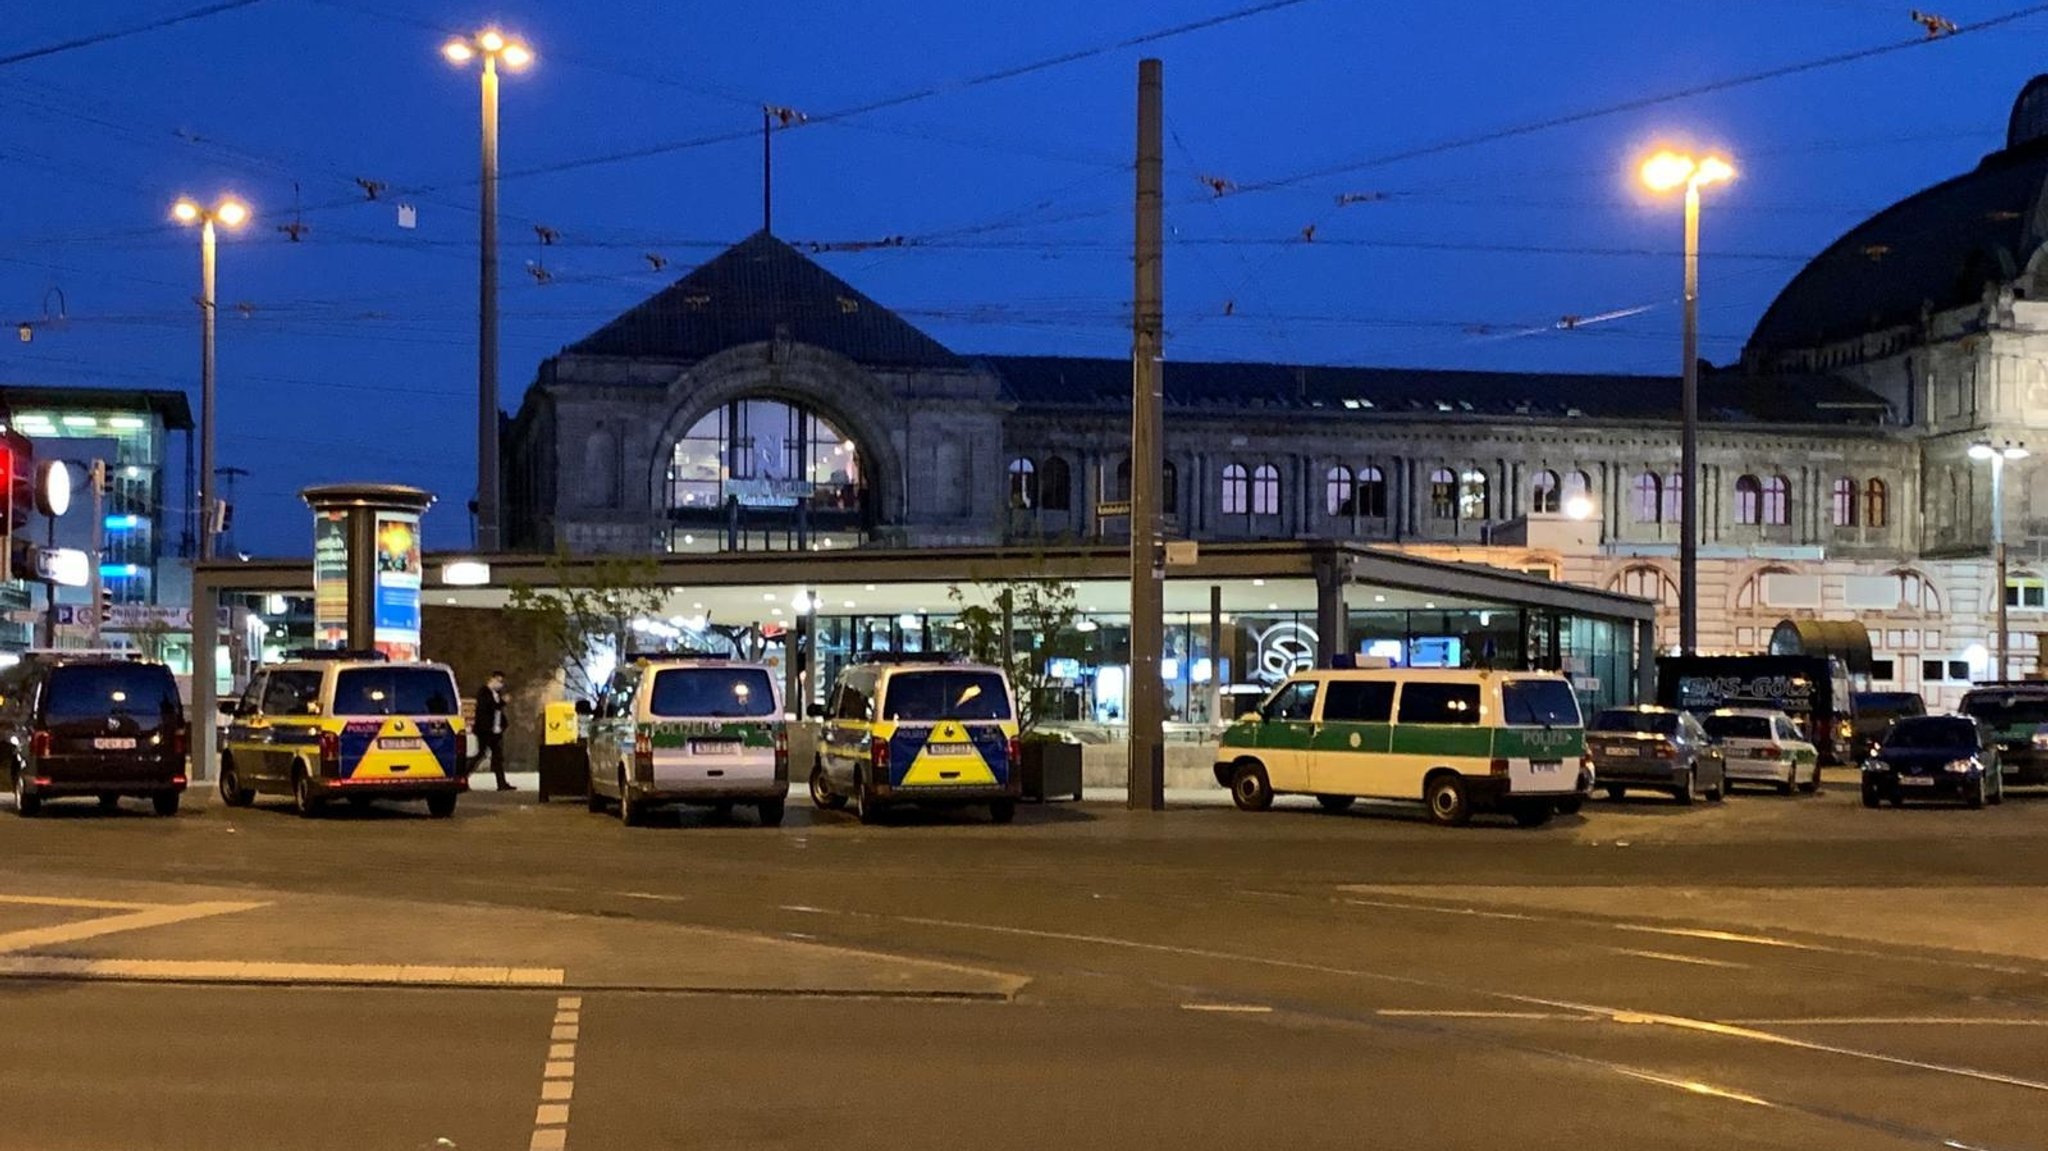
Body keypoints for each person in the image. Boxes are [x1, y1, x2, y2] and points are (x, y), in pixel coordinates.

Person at [472, 671, 513, 791]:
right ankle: (463, 775)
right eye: (499, 681)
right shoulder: (484, 692)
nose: (500, 684)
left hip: (496, 730)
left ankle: (502, 783)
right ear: (492, 680)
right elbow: (489, 707)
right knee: (480, 754)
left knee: (498, 758)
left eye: (502, 682)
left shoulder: (497, 694)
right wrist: (502, 702)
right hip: (485, 731)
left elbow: (498, 709)